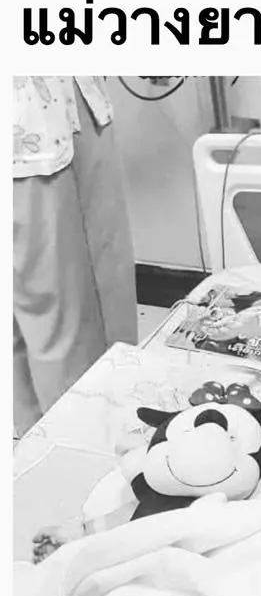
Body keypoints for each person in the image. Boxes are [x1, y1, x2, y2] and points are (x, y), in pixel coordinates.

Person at [13, 76, 138, 437]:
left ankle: (116, 418)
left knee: (109, 279)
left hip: (74, 101)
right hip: (26, 130)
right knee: (54, 309)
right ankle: (71, 442)